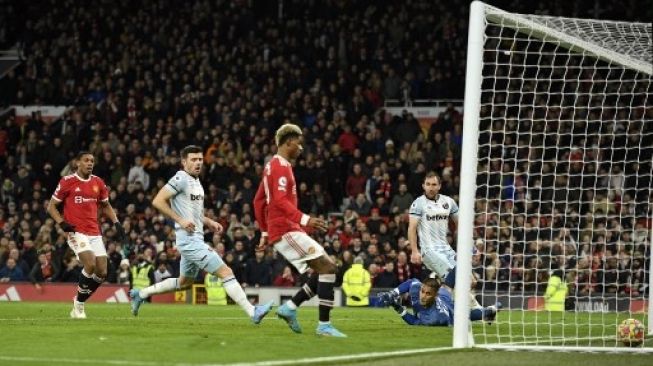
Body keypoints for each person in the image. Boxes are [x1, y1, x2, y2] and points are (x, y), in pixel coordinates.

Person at [129, 145, 272, 324]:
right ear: (184, 162)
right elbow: (158, 200)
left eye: (200, 159)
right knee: (226, 272)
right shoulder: (180, 178)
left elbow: (194, 213)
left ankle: (140, 293)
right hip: (190, 242)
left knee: (184, 283)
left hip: (194, 239)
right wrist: (180, 220)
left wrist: (209, 222)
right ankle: (253, 311)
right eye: (193, 159)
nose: (198, 163)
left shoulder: (196, 182)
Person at [253, 123, 346, 337]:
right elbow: (278, 200)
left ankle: (290, 308)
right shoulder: (280, 167)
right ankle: (323, 325)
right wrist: (304, 218)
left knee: (325, 268)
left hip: (285, 229)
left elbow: (258, 201)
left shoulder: (270, 167)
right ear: (288, 142)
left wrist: (264, 231)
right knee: (329, 268)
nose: (301, 148)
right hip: (286, 229)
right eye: (298, 143)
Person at [47, 151, 126, 319]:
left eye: (92, 161)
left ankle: (79, 301)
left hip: (94, 231)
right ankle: (80, 306)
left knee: (102, 272)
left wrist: (117, 222)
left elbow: (105, 205)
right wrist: (62, 223)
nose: (90, 163)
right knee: (90, 264)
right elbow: (51, 207)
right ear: (78, 163)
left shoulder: (98, 182)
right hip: (76, 231)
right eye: (86, 160)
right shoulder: (67, 181)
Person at [377, 277, 499, 326]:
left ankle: (492, 309)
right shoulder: (417, 289)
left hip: (451, 311)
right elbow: (411, 282)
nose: (423, 296)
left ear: (434, 296)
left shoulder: (434, 319)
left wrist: (397, 307)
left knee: (468, 315)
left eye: (428, 294)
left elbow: (414, 321)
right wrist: (392, 294)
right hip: (443, 294)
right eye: (422, 291)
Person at [408, 172, 459, 288]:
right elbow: (412, 228)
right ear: (423, 186)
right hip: (429, 250)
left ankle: (475, 307)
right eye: (428, 184)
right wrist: (415, 251)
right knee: (456, 277)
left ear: (439, 186)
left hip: (446, 248)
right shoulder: (418, 204)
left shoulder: (449, 202)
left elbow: (460, 223)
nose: (431, 188)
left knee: (468, 278)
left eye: (434, 184)